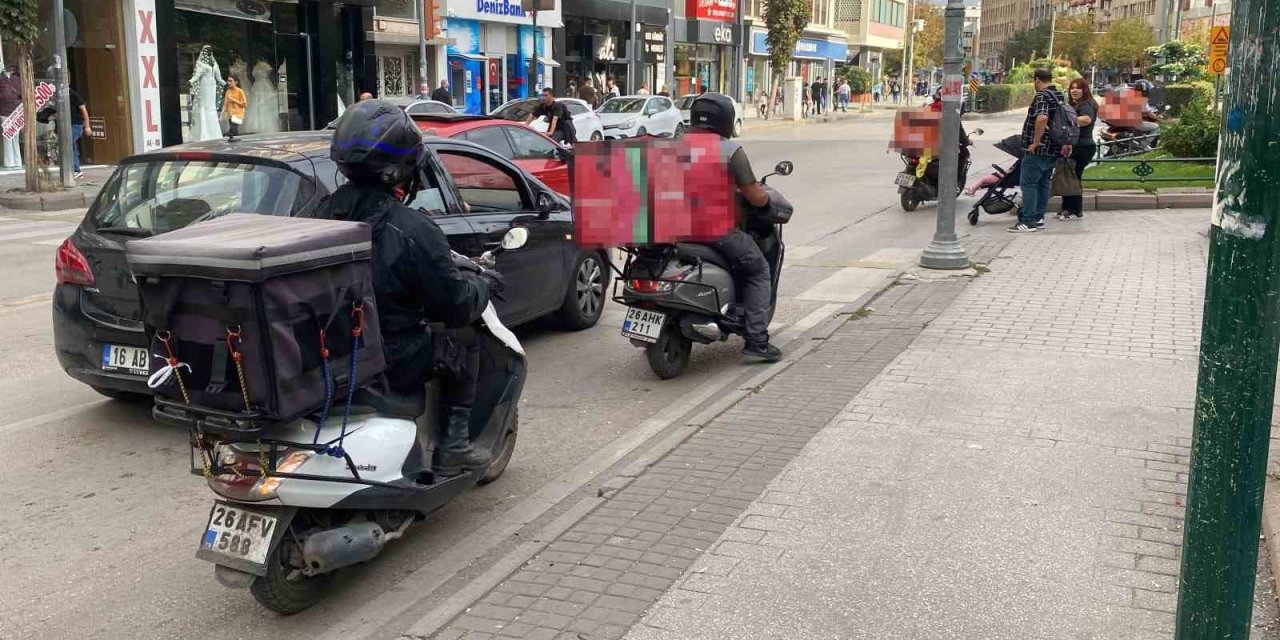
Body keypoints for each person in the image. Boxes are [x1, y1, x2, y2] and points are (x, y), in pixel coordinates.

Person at [320, 100, 498, 477]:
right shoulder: (413, 230)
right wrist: (482, 283)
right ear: (402, 169)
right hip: (390, 356)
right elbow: (454, 306)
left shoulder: (319, 213)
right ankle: (453, 448)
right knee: (463, 342)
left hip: (328, 351)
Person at [688, 93, 783, 362]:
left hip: (672, 230)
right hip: (714, 230)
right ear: (726, 120)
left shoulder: (670, 145)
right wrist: (765, 200)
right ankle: (757, 340)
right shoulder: (729, 150)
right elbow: (754, 195)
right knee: (758, 270)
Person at [1011, 68, 1065, 234]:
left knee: (1029, 184)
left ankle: (1028, 221)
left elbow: (1042, 118)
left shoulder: (1042, 95)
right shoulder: (1059, 95)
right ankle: (1039, 218)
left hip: (1039, 149)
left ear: (1037, 80)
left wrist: (1035, 142)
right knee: (1043, 183)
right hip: (1054, 148)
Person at [1056, 78, 1098, 221]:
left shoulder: (1086, 105)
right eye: (1072, 88)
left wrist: (1066, 121)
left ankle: (1075, 210)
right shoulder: (1076, 104)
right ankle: (1066, 208)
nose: (1074, 90)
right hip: (1076, 146)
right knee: (1068, 177)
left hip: (1082, 146)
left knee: (1073, 178)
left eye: (1078, 88)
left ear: (1084, 90)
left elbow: (1086, 119)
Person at [67, 86, 89, 179]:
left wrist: (87, 126)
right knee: (71, 146)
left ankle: (76, 170)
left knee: (69, 145)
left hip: (75, 125)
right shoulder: (60, 95)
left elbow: (83, 110)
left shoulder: (73, 94)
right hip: (68, 125)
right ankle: (75, 170)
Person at [223, 74, 247, 141]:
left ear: (236, 82)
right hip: (230, 114)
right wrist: (221, 115)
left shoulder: (240, 91)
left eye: (231, 81)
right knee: (234, 132)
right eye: (228, 81)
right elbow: (225, 103)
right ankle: (235, 142)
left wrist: (233, 100)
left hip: (238, 114)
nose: (229, 83)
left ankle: (231, 134)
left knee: (232, 129)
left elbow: (244, 104)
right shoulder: (228, 91)